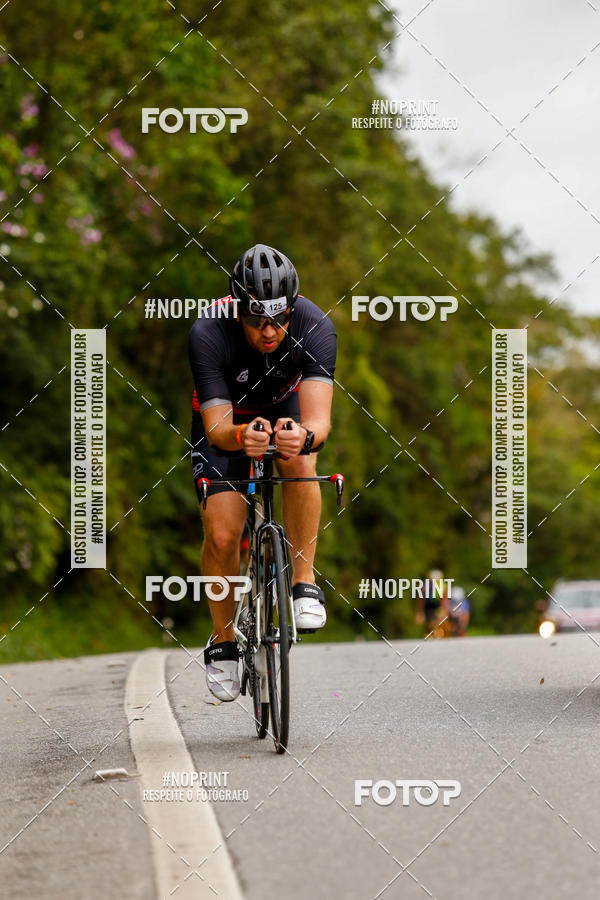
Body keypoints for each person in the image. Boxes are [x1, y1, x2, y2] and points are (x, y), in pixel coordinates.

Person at [188, 243, 337, 701]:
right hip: (228, 422)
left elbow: (319, 423)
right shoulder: (208, 331)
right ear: (238, 311)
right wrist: (241, 437)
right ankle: (224, 638)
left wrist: (303, 437)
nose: (270, 331)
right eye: (257, 320)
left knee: (301, 458)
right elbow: (215, 429)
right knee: (223, 533)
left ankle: (304, 584)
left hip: (284, 408)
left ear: (293, 308)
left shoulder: (315, 327)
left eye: (280, 318)